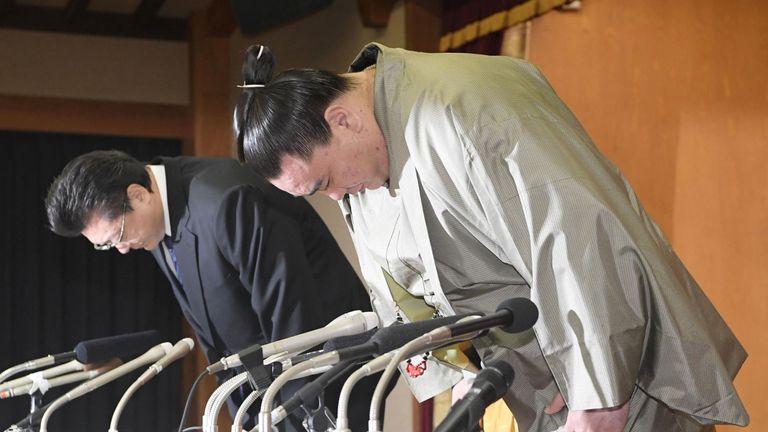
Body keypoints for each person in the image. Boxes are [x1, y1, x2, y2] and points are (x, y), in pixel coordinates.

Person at [233, 43, 749, 431]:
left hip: (615, 372)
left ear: (340, 120)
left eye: (324, 182)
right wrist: (461, 373)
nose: (337, 197)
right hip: (529, 382)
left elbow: (574, 236)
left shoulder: (465, 105)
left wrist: (599, 397)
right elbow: (403, 286)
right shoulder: (364, 155)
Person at [45, 150, 376, 431]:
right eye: (107, 246)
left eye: (117, 236)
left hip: (324, 382)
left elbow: (293, 316)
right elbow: (219, 336)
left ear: (137, 194)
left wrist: (286, 417)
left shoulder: (226, 198)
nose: (121, 249)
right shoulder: (157, 221)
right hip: (265, 398)